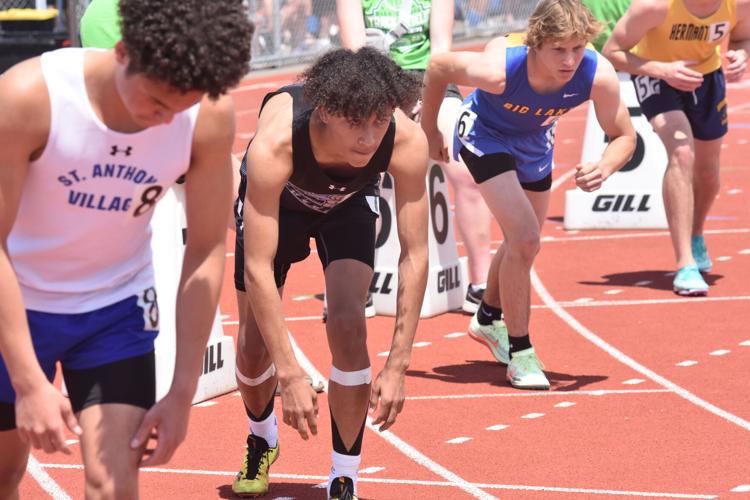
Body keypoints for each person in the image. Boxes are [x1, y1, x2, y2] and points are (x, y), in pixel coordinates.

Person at [0, 0, 253, 498]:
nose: (165, 121)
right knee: (5, 475)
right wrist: (28, 382)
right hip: (16, 302)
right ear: (122, 51)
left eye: (182, 106)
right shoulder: (27, 98)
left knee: (113, 484)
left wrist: (181, 392)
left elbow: (204, 250)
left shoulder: (206, 118)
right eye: (157, 102)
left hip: (115, 311)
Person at [231, 47, 428, 500]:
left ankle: (345, 475)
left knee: (347, 324)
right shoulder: (276, 145)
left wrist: (398, 365)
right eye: (355, 123)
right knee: (253, 345)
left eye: (379, 121)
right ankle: (261, 437)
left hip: (348, 203)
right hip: (281, 205)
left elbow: (415, 255)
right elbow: (257, 266)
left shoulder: (404, 140)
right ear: (324, 112)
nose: (368, 137)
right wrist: (291, 373)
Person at [420, 0, 636, 390]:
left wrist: (605, 165)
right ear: (535, 43)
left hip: (535, 140)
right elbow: (438, 67)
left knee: (524, 243)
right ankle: (521, 353)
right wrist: (431, 129)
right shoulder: (499, 67)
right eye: (558, 49)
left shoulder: (596, 74)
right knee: (525, 237)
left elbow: (625, 136)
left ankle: (487, 318)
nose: (570, 60)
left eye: (577, 48)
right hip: (485, 134)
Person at [336, 0, 494, 314]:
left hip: (430, 83)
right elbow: (356, 55)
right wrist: (391, 108)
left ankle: (481, 286)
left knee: (467, 171)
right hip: (372, 85)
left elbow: (441, 52)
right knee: (365, 178)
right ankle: (357, 286)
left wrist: (428, 103)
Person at [603, 0, 750, 296]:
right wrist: (661, 69)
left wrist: (740, 55)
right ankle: (685, 263)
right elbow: (612, 52)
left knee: (708, 173)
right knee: (682, 152)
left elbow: (743, 36)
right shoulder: (654, 7)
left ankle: (696, 233)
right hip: (656, 77)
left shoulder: (739, 5)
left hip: (706, 80)